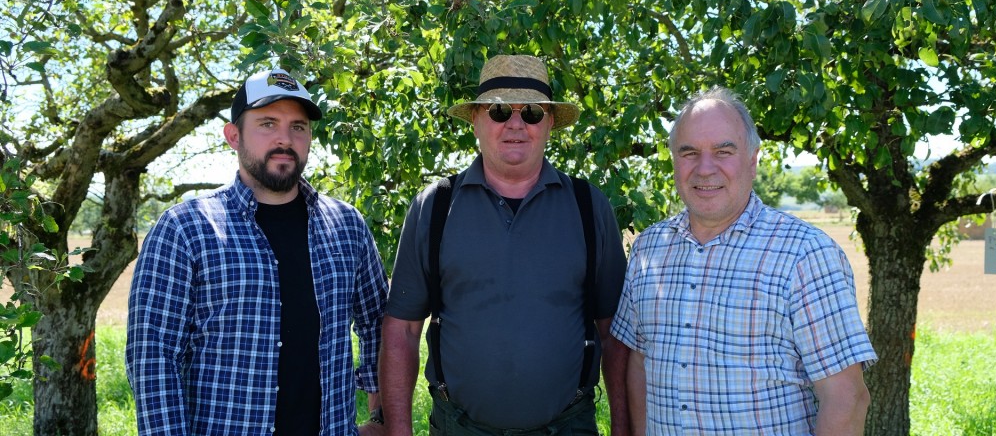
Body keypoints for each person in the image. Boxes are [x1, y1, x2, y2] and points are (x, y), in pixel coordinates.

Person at [126, 67, 389, 436]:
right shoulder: (186, 229)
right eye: (268, 123)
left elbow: (377, 320)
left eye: (298, 126)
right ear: (233, 136)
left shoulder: (347, 226)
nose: (285, 139)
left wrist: (380, 416)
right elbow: (153, 358)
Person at [380, 55, 629, 436]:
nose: (515, 124)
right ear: (477, 121)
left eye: (531, 112)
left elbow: (614, 334)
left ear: (548, 124)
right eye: (499, 111)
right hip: (459, 428)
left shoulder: (587, 205)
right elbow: (402, 330)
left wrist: (625, 429)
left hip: (567, 427)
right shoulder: (435, 205)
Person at [612, 86, 876, 436]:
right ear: (674, 160)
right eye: (689, 152)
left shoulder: (805, 255)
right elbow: (641, 362)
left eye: (723, 151)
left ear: (752, 160)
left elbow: (847, 399)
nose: (705, 169)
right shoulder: (649, 249)